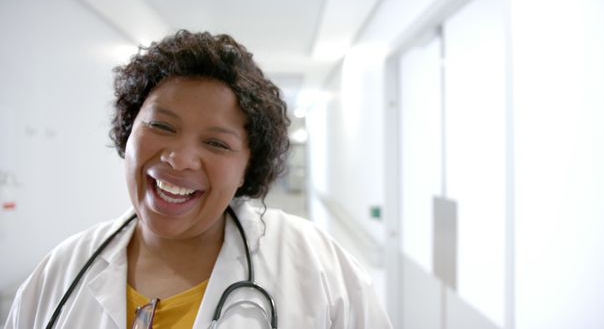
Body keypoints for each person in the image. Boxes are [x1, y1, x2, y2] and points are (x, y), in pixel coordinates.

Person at [4, 30, 392, 328]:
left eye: (216, 143)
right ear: (128, 128)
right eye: (160, 125)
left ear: (247, 169)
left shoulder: (318, 268)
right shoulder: (61, 272)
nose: (180, 158)